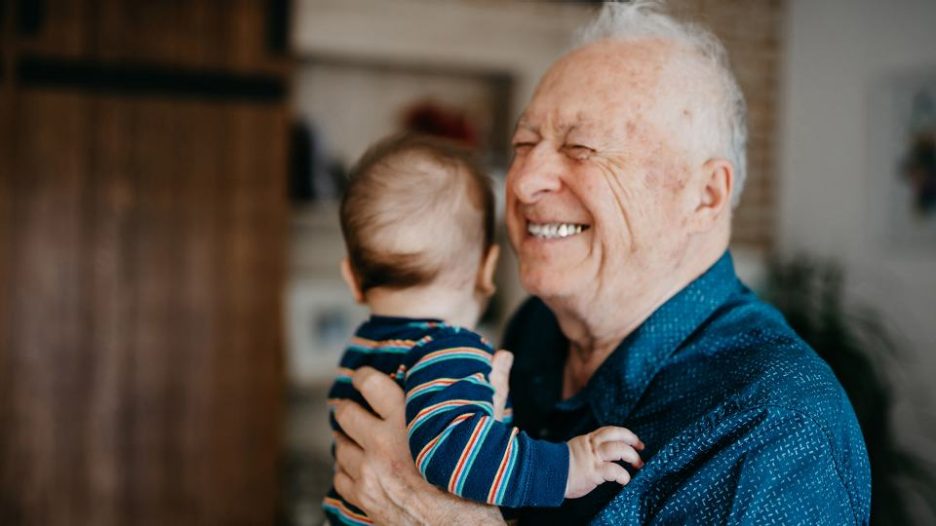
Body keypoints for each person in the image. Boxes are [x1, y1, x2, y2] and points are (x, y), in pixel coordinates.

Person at [331, 2, 872, 524]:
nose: (522, 181)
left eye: (581, 147)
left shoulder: (777, 429)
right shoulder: (536, 330)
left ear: (704, 195)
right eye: (523, 142)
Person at [323, 134, 645, 525]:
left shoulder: (359, 351)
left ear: (352, 279)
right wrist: (568, 466)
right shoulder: (448, 349)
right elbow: (454, 453)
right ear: (487, 270)